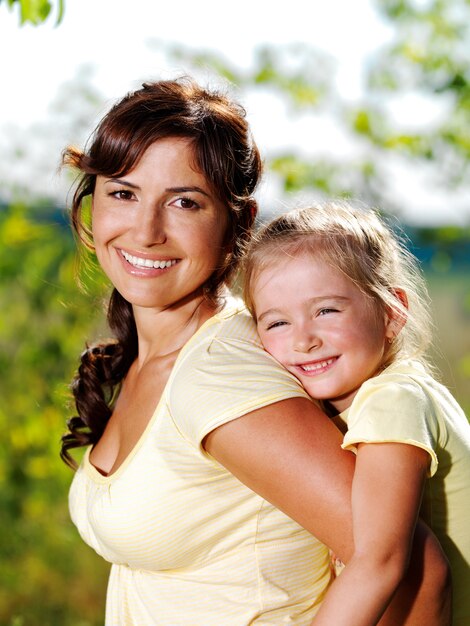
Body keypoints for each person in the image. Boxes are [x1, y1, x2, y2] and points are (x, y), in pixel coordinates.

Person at [61, 78, 449, 626]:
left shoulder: (221, 374)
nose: (146, 231)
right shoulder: (156, 360)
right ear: (92, 205)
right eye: (123, 193)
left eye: (184, 202)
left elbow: (415, 574)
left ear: (236, 224)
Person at [243, 201, 470, 626]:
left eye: (326, 310)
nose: (303, 340)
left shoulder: (392, 401)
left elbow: (378, 562)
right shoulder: (384, 394)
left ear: (391, 312)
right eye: (276, 323)